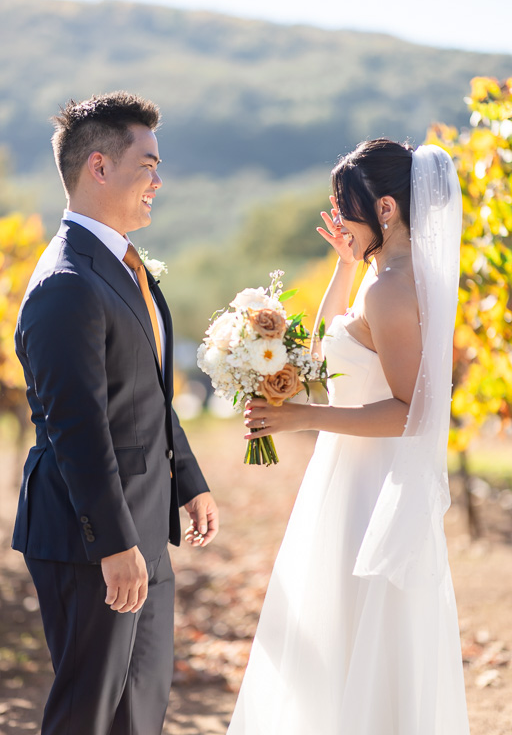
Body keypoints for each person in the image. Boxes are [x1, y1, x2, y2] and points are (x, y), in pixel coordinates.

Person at [228, 139, 470, 734]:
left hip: (370, 488)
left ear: (385, 208)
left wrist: (301, 418)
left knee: (359, 642)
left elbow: (408, 412)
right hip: (346, 477)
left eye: (347, 206)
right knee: (335, 643)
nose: (338, 217)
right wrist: (343, 263)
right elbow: (323, 354)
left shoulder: (393, 287)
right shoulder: (380, 275)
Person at [12, 91, 219, 735]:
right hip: (89, 538)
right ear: (98, 168)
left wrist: (189, 481)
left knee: (141, 709)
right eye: (148, 164)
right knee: (89, 715)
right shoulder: (66, 282)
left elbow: (148, 391)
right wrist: (115, 544)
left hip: (142, 524)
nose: (160, 180)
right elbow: (78, 429)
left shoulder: (127, 267)